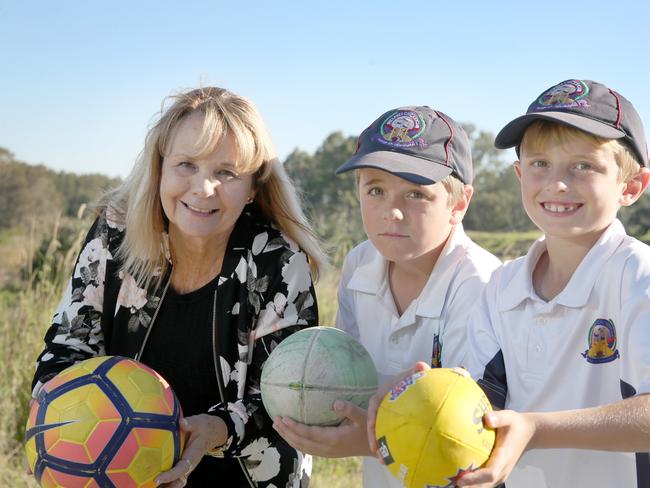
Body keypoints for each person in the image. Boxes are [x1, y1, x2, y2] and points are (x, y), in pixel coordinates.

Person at [30, 86, 327, 487]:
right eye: (186, 164)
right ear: (160, 167)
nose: (203, 189)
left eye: (226, 172)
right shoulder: (114, 235)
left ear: (254, 187)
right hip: (124, 474)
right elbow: (68, 347)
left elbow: (286, 397)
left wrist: (218, 428)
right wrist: (59, 431)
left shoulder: (276, 260)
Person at [370, 79, 650, 488]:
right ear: (519, 174)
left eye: (583, 166)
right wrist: (416, 399)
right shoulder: (503, 285)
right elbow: (485, 410)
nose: (557, 183)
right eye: (540, 164)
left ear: (631, 186)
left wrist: (536, 429)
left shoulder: (637, 276)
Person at [272, 106, 501, 488]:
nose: (392, 212)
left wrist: (365, 439)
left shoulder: (480, 283)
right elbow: (350, 381)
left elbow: (464, 430)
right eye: (376, 190)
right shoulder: (361, 262)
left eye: (416, 193)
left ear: (458, 204)